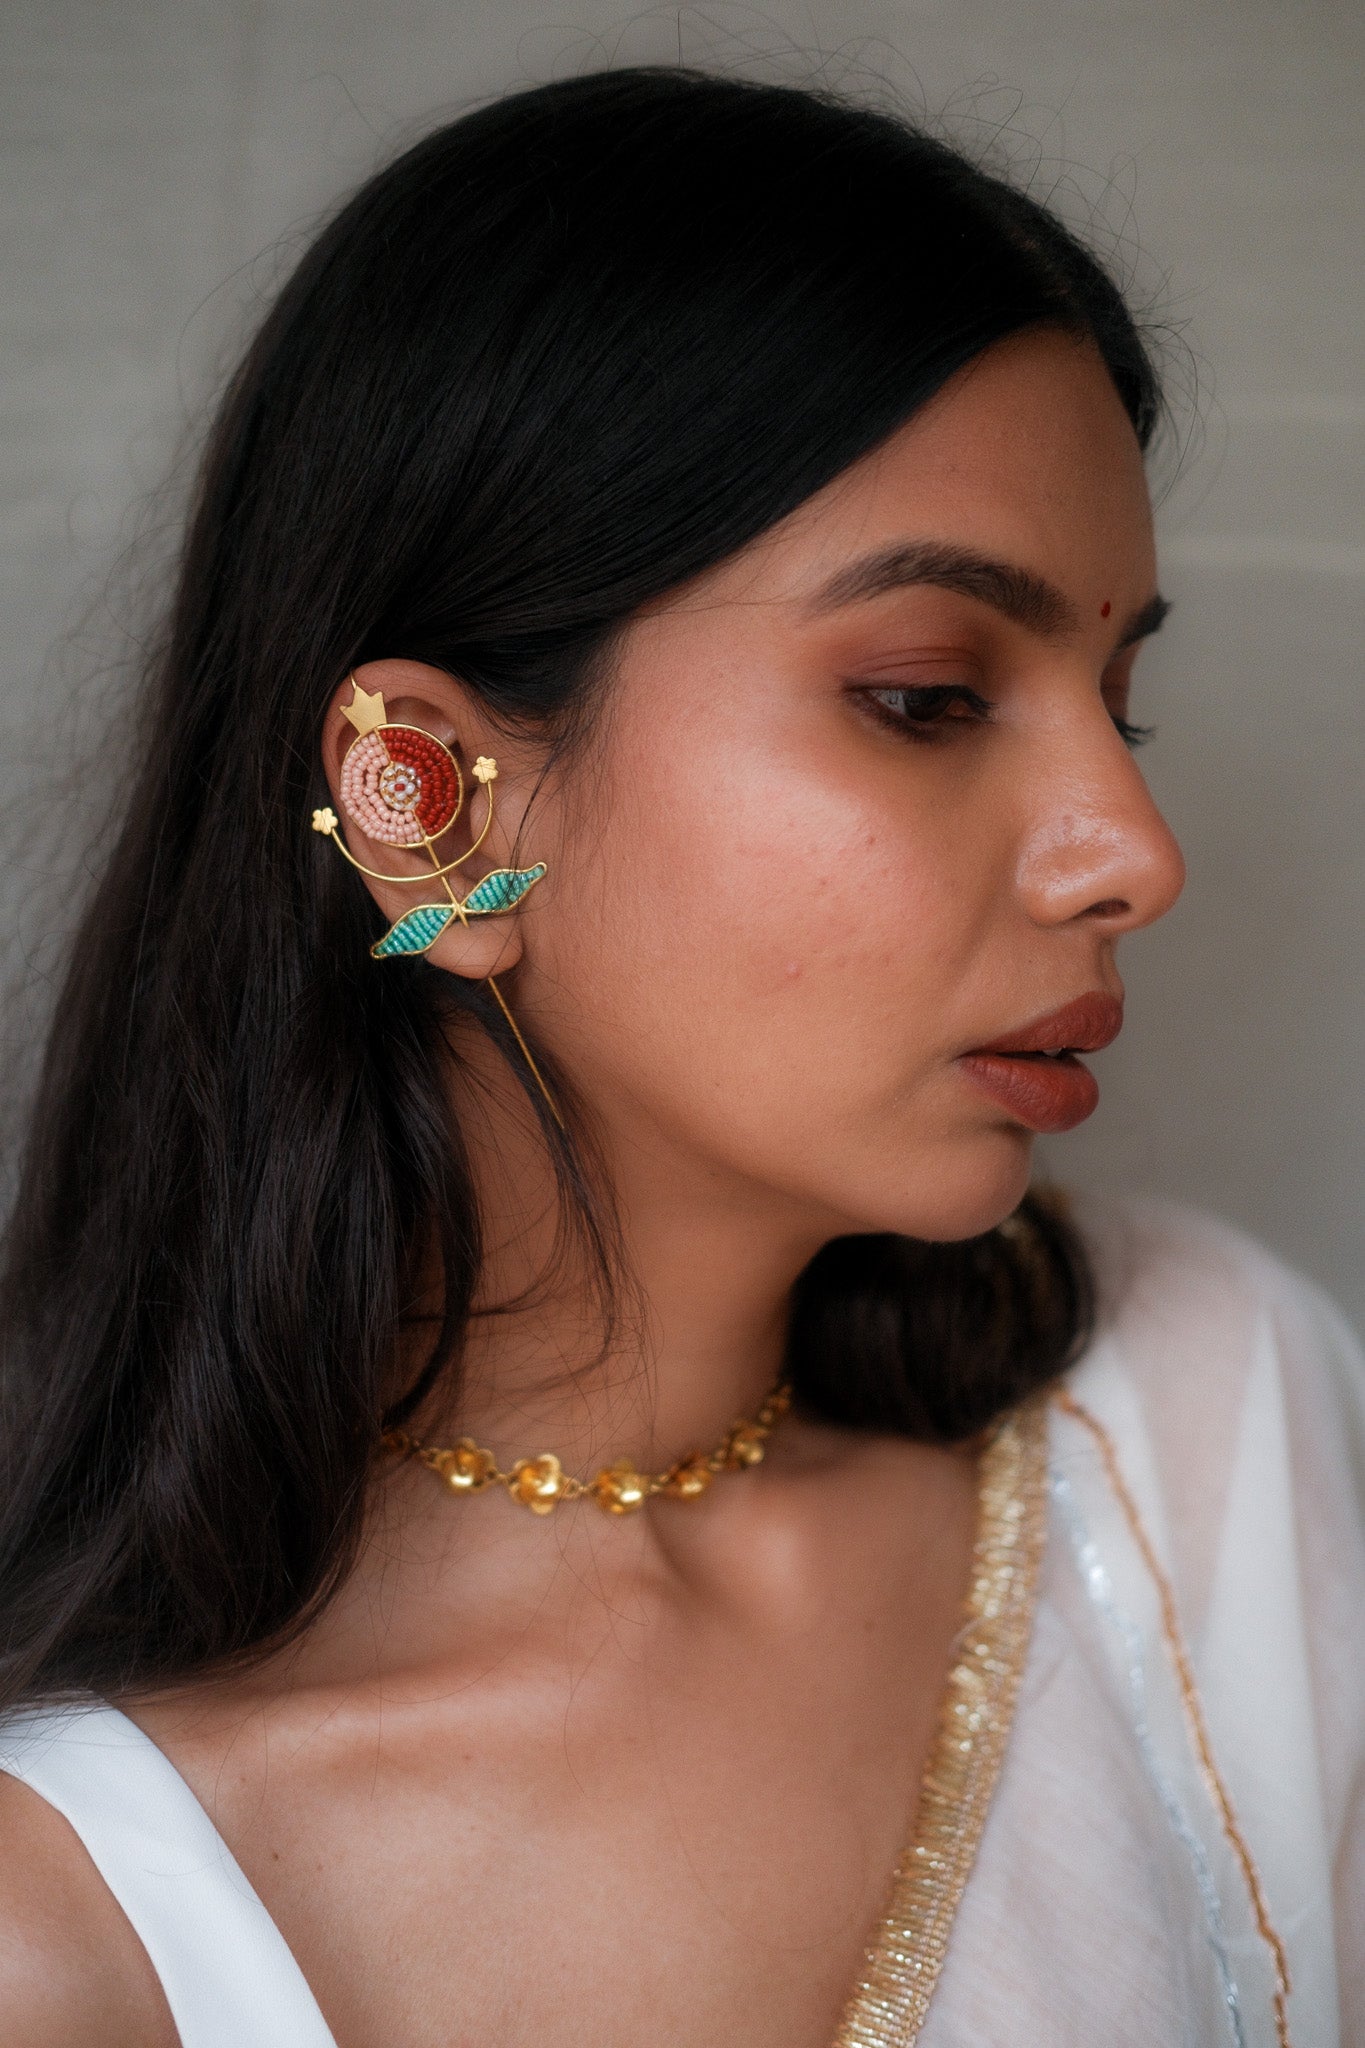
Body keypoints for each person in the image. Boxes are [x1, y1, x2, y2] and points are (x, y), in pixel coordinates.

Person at [0, 65, 1359, 2048]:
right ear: (425, 808)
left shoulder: (1196, 1439)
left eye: (1117, 702)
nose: (1130, 854)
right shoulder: (79, 1928)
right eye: (925, 694)